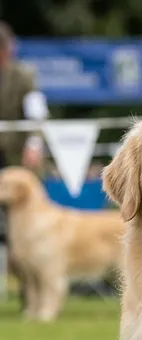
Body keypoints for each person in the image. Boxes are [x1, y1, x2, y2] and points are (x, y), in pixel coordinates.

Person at [0, 22, 45, 311]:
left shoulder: (24, 77)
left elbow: (37, 117)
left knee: (29, 238)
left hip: (18, 167)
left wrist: (34, 146)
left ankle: (31, 297)